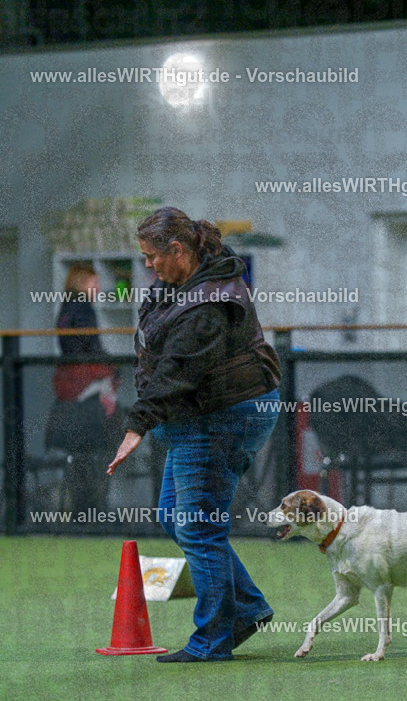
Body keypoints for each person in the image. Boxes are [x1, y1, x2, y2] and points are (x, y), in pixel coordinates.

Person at [107, 207, 281, 663]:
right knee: (176, 518)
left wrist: (136, 426)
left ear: (178, 250)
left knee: (199, 527)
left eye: (151, 257)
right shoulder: (182, 283)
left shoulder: (208, 304)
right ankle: (246, 608)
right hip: (201, 417)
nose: (147, 266)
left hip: (223, 416)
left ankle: (213, 640)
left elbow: (177, 370)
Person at [48, 263, 120, 512]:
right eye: (94, 283)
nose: (98, 289)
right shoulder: (81, 307)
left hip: (71, 391)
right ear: (82, 282)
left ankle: (85, 508)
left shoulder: (67, 307)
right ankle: (93, 508)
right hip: (84, 389)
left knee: (82, 455)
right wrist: (113, 366)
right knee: (95, 449)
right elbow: (91, 348)